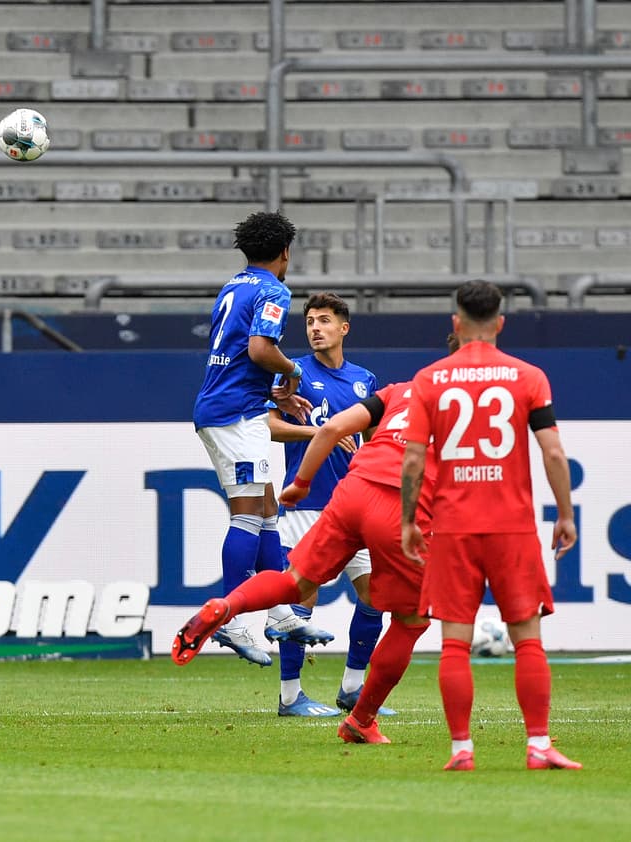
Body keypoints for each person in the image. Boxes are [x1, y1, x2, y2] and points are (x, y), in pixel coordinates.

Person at [173, 359, 447, 747]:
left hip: (352, 490)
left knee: (293, 584)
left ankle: (228, 606)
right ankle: (358, 720)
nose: (317, 327)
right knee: (410, 619)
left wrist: (300, 483)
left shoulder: (399, 389)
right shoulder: (465, 404)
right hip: (397, 503)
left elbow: (334, 428)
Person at [401, 280, 581, 772]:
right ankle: (539, 746)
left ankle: (461, 750)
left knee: (455, 642)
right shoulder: (529, 377)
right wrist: (565, 515)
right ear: (500, 323)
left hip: (454, 527)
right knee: (527, 639)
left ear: (455, 324)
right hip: (512, 528)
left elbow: (414, 458)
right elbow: (552, 451)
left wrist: (408, 521)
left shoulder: (429, 379)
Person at [189, 210, 312, 666]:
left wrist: (273, 393)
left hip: (239, 407)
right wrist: (293, 369)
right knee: (247, 515)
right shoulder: (273, 289)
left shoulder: (234, 285)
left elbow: (246, 353)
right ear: (285, 252)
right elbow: (261, 349)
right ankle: (230, 618)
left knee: (266, 510)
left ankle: (278, 611)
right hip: (233, 413)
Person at [265, 292, 385, 717]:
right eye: (311, 321)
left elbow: (376, 442)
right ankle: (290, 696)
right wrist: (321, 435)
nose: (316, 328)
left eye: (324, 321)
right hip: (308, 506)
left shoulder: (364, 380)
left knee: (376, 594)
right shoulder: (294, 374)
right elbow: (272, 427)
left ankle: (353, 691)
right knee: (303, 597)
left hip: (357, 505)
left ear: (343, 328)